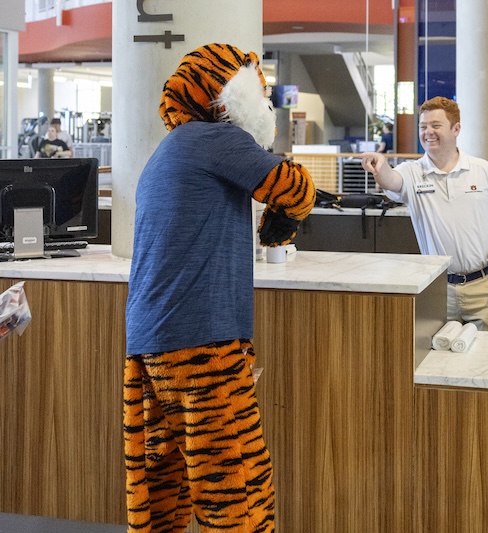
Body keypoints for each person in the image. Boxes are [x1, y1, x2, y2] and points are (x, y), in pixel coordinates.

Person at [124, 43, 316, 533]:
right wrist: (284, 217)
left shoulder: (172, 147)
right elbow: (296, 187)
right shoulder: (218, 139)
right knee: (235, 480)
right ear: (228, 95)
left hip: (151, 339)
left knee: (163, 483)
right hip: (202, 340)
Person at [360, 96, 488, 332]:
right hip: (437, 290)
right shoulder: (412, 172)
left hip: (485, 287)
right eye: (423, 127)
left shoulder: (483, 170)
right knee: (437, 363)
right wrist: (380, 166)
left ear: (456, 129)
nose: (428, 132)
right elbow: (392, 180)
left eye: (436, 126)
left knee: (487, 362)